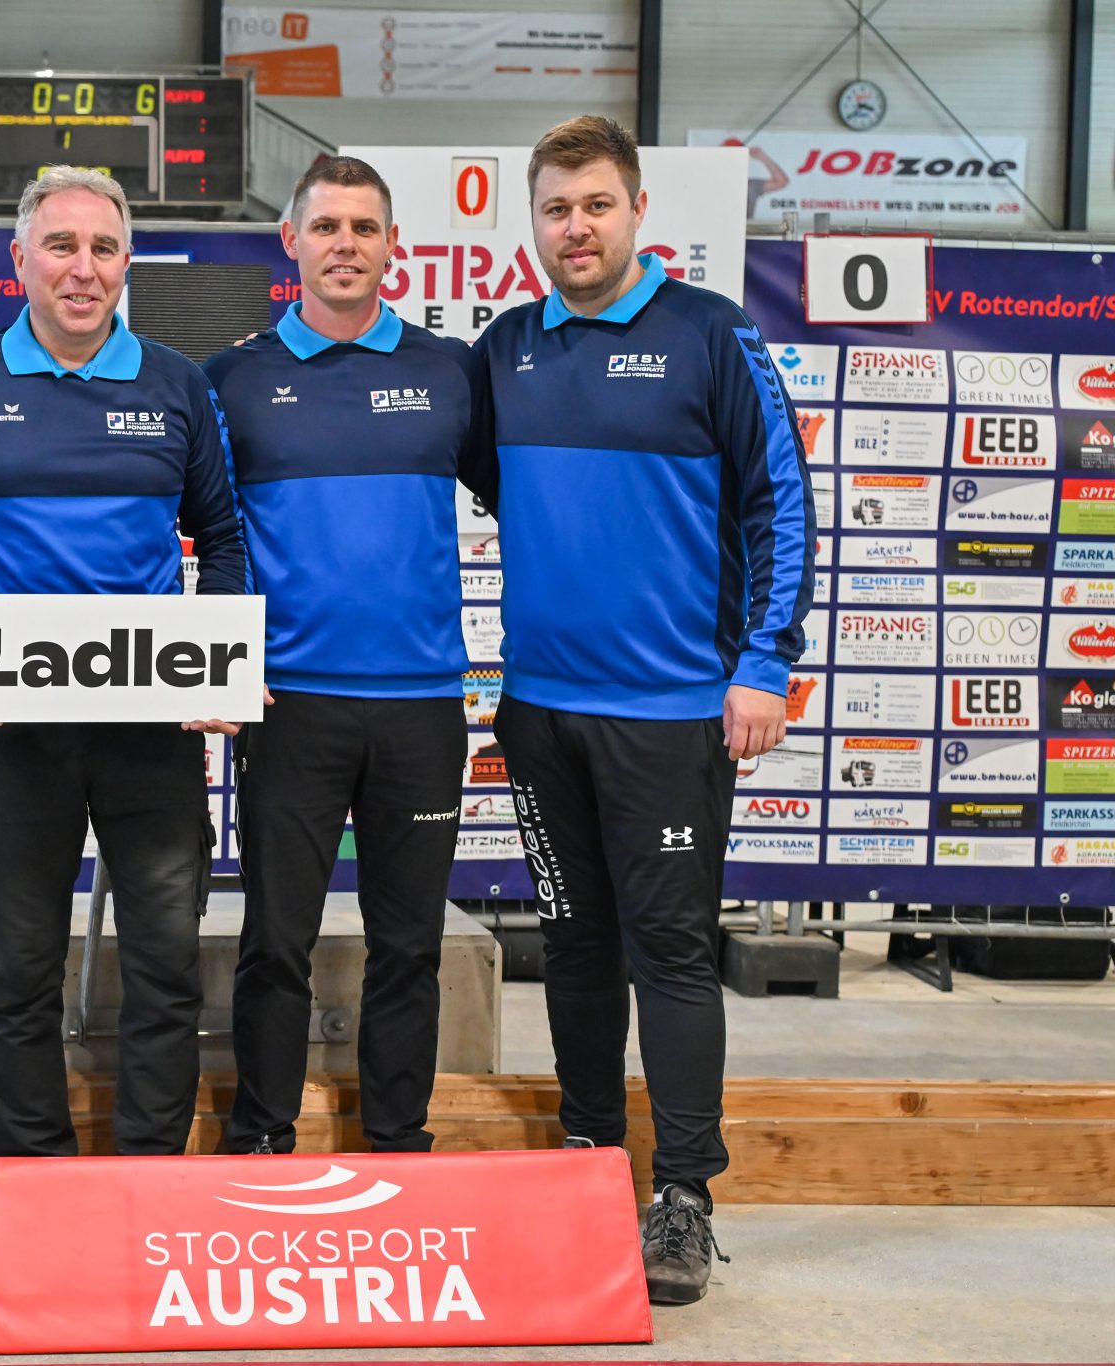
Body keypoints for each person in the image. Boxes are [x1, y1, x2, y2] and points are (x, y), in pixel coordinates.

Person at [473, 115, 816, 1304]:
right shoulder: (504, 346)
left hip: (669, 714)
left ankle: (682, 1195)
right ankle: (584, 1157)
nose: (576, 227)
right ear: (533, 223)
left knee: (668, 949)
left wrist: (763, 661)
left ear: (635, 212)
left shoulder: (708, 335)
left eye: (596, 205)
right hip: (537, 711)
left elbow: (779, 501)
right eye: (556, 208)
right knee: (571, 942)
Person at [0, 168, 249, 1159]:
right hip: (12, 731)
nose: (83, 269)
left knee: (165, 967)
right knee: (22, 968)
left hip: (152, 731)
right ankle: (37, 1180)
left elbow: (222, 536)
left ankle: (148, 1178)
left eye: (103, 248)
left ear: (126, 262)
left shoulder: (176, 384)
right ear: (21, 259)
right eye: (62, 246)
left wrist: (214, 660)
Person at [203, 155, 494, 1157]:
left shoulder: (448, 372)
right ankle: (260, 1132)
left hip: (418, 705)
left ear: (391, 246)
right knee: (273, 940)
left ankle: (398, 1137)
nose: (343, 246)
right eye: (324, 227)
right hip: (286, 705)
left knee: (408, 943)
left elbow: (526, 505)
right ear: (289, 242)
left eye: (363, 229)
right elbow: (187, 527)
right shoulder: (231, 379)